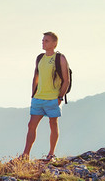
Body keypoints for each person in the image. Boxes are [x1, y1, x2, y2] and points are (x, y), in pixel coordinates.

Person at [21, 32, 70, 162]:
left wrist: (60, 97)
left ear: (54, 43)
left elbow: (66, 80)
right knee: (31, 125)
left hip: (53, 99)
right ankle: (25, 155)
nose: (43, 42)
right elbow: (35, 77)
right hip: (38, 98)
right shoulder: (40, 58)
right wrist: (33, 95)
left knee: (53, 125)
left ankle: (51, 154)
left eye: (46, 41)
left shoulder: (60, 58)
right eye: (43, 40)